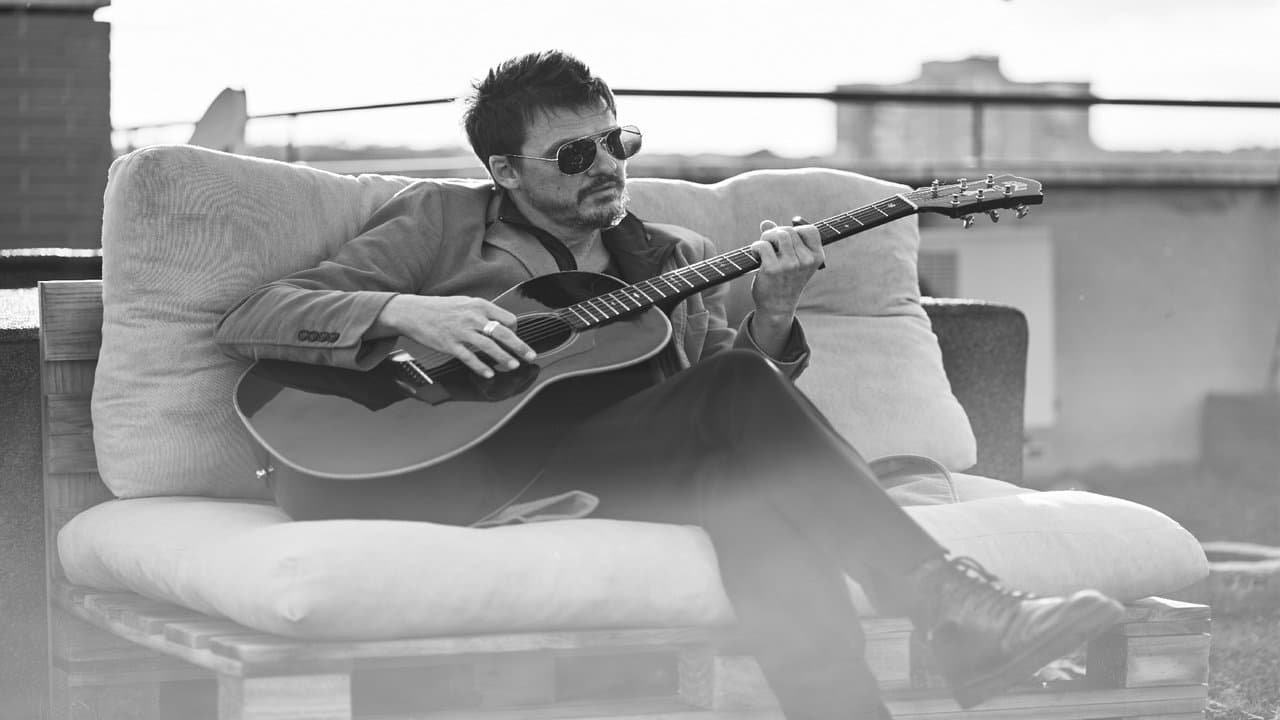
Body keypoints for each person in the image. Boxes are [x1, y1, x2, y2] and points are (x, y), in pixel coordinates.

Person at [215, 50, 1124, 719]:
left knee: (747, 479)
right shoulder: (441, 221)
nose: (608, 165)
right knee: (745, 467)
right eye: (573, 155)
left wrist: (775, 310)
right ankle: (954, 608)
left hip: (610, 463)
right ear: (505, 171)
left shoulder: (670, 258)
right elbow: (256, 314)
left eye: (615, 141)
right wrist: (407, 312)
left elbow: (727, 395)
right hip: (436, 462)